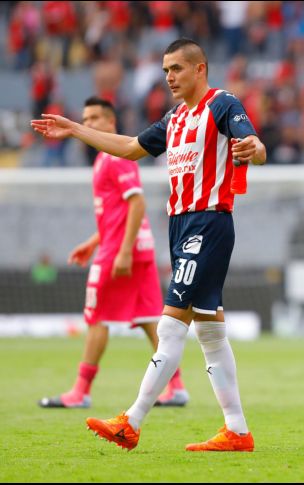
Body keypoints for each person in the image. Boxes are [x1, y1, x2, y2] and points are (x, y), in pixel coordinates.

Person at [31, 38, 266, 452]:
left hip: (208, 223)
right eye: (165, 70)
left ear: (200, 69)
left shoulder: (222, 104)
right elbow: (129, 148)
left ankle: (132, 420)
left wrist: (256, 149)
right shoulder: (175, 118)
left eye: (177, 68)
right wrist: (74, 129)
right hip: (180, 226)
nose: (169, 77)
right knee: (210, 331)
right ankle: (237, 430)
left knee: (171, 324)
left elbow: (254, 146)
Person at [38, 97, 188, 410]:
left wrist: (122, 251)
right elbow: (117, 212)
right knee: (150, 319)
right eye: (85, 119)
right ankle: (175, 387)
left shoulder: (116, 157)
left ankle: (80, 391)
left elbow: (137, 203)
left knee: (97, 317)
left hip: (121, 250)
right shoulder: (105, 158)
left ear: (111, 122)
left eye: (95, 118)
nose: (88, 124)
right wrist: (94, 241)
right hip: (135, 248)